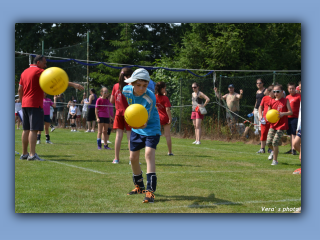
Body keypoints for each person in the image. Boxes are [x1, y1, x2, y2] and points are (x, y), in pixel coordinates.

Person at [122, 68, 161, 204]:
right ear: (132, 83)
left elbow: (144, 123)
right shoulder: (126, 90)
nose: (141, 88)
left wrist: (135, 122)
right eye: (138, 85)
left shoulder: (150, 98)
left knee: (148, 154)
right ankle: (139, 187)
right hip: (136, 128)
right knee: (133, 158)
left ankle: (150, 192)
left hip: (151, 128)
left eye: (144, 86)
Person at [110, 67, 133, 164]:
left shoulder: (115, 86)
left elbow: (111, 101)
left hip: (118, 113)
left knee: (118, 137)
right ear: (128, 76)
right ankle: (131, 159)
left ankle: (116, 159)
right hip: (130, 114)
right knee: (130, 137)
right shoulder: (130, 86)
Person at [266, 84, 293, 165]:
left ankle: (275, 160)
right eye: (274, 91)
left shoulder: (285, 100)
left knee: (275, 142)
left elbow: (290, 112)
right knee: (268, 143)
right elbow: (268, 112)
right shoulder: (271, 101)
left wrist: (283, 113)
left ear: (282, 92)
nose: (276, 93)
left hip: (282, 125)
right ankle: (274, 151)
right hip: (273, 125)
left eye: (277, 91)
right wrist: (267, 117)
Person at [155, 81, 173, 155]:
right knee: (167, 135)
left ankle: (152, 150)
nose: (165, 89)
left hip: (157, 117)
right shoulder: (165, 98)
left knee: (155, 134)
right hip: (165, 118)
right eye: (165, 88)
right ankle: (170, 152)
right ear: (162, 89)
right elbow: (167, 109)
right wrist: (170, 118)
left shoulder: (154, 96)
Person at [285, 82, 301, 155]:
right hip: (288, 117)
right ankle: (292, 148)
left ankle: (294, 149)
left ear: (295, 89)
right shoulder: (287, 97)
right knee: (290, 133)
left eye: (293, 88)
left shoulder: (299, 96)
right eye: (290, 88)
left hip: (296, 117)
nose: (291, 90)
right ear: (288, 89)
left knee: (294, 133)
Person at [257, 85, 274, 153]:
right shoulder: (265, 98)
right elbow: (260, 107)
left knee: (271, 134)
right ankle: (262, 148)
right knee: (263, 133)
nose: (275, 93)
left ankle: (270, 148)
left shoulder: (276, 99)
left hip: (273, 120)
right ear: (269, 92)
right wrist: (260, 115)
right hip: (264, 119)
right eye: (274, 91)